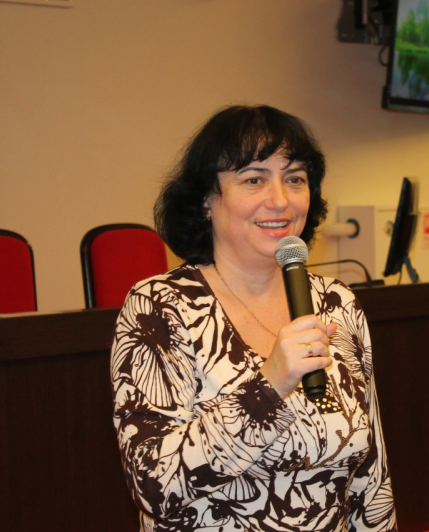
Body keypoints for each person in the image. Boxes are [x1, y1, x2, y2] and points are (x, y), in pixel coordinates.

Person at [110, 105, 397, 532]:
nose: (280, 200)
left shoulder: (337, 302)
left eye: (295, 178)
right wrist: (270, 385)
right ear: (206, 201)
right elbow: (155, 487)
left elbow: (371, 474)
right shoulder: (159, 307)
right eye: (253, 179)